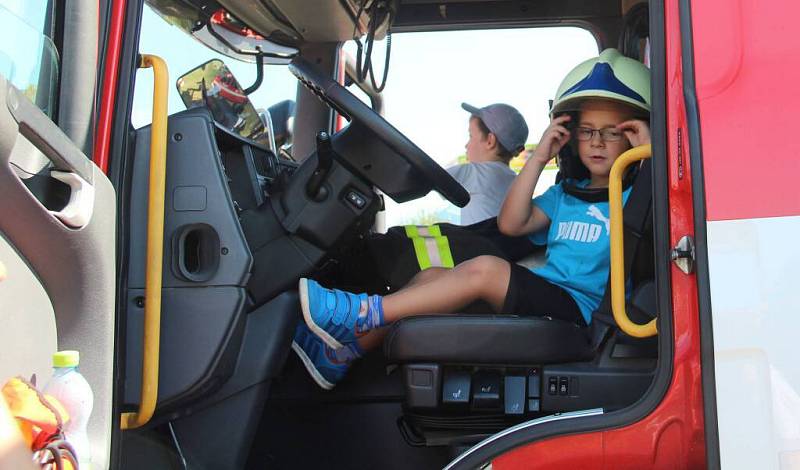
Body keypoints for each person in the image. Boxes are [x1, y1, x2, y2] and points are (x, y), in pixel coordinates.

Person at [291, 48, 652, 390]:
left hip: (583, 311)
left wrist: (651, 156)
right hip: (548, 293)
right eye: (587, 131)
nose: (598, 142)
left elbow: (655, 219)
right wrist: (539, 157)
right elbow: (511, 224)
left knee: (487, 269)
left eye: (612, 132)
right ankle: (340, 353)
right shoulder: (564, 195)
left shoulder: (636, 197)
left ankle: (359, 312)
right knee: (432, 276)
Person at [446, 103, 529, 225]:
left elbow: (429, 174)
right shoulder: (516, 181)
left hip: (478, 243)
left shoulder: (475, 173)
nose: (466, 145)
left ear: (490, 141)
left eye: (471, 136)